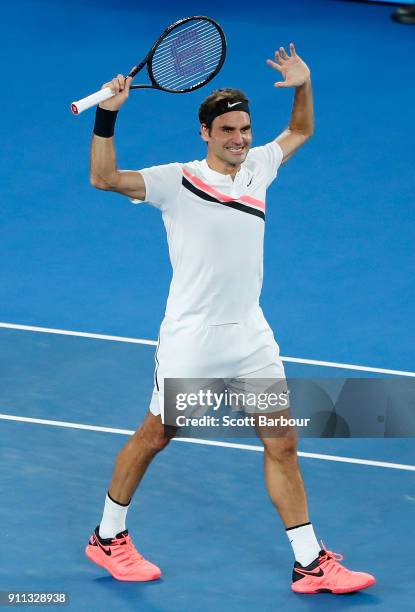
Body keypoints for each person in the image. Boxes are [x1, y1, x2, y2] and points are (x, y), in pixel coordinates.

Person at [85, 43, 376, 595]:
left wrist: (303, 84)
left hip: (251, 340)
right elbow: (104, 179)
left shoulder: (260, 166)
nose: (240, 139)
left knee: (282, 442)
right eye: (228, 131)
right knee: (155, 436)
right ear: (206, 134)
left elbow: (302, 131)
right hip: (192, 342)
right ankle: (107, 537)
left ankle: (309, 561)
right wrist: (107, 114)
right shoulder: (176, 180)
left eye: (245, 129)